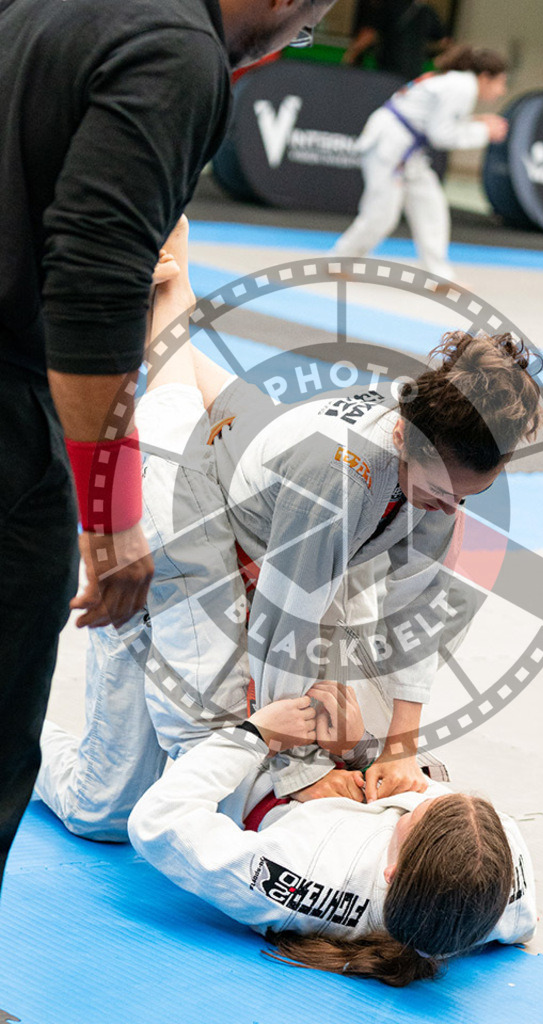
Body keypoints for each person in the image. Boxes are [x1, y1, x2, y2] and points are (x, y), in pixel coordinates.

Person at [36, 217, 543, 840]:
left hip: (262, 455)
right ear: (404, 439)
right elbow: (285, 621)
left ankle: (172, 293)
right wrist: (298, 771)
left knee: (191, 380)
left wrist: (401, 749)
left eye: (466, 497)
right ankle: (47, 706)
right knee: (124, 795)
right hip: (188, 498)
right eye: (440, 493)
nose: (448, 510)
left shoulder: (434, 446)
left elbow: (419, 610)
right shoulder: (340, 476)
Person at [0, 0, 338, 891]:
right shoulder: (179, 51)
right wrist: (109, 521)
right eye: (304, 26)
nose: (287, 45)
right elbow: (92, 290)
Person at [126, 692, 537, 986]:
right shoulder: (501, 895)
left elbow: (157, 821)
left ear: (392, 872)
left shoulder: (302, 870)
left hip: (256, 777)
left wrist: (256, 734)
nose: (431, 799)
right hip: (352, 767)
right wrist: (358, 749)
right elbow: (524, 919)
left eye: (420, 814)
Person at [331, 46, 509, 286]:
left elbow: (436, 120)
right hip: (391, 147)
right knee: (381, 215)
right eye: (501, 82)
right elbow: (441, 135)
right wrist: (484, 132)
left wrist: (477, 122)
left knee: (431, 208)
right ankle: (338, 260)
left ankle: (440, 277)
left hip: (406, 150)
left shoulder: (455, 82)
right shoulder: (462, 86)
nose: (502, 90)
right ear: (485, 77)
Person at [343, 0, 450, 83]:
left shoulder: (388, 6)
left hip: (389, 72)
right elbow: (445, 42)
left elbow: (368, 35)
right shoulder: (427, 11)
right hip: (413, 73)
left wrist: (351, 55)